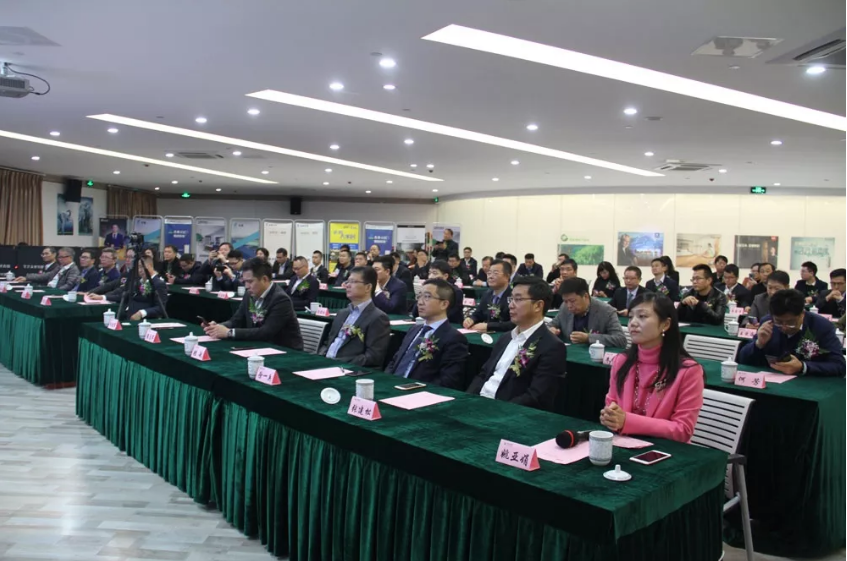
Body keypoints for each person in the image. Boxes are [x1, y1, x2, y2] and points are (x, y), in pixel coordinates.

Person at [600, 292, 704, 443]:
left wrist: (628, 421)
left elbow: (683, 430)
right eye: (631, 317)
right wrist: (610, 417)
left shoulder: (688, 370)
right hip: (623, 443)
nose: (633, 323)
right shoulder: (622, 361)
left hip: (665, 450)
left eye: (642, 316)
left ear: (665, 324)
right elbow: (612, 405)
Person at [467, 277, 567, 411]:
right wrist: (468, 399)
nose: (511, 305)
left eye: (518, 299)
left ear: (538, 305)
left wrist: (495, 409)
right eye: (511, 299)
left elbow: (536, 396)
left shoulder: (552, 346)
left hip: (505, 411)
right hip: (479, 404)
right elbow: (483, 375)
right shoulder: (505, 338)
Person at [739, 289, 845, 377]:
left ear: (802, 314)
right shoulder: (767, 323)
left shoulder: (821, 326)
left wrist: (802, 367)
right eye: (779, 322)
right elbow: (742, 359)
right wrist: (758, 344)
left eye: (791, 322)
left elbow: (839, 365)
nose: (784, 327)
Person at [385, 279, 469, 389]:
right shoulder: (414, 330)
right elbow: (395, 362)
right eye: (419, 296)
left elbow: (448, 381)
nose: (420, 302)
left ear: (444, 304)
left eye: (427, 297)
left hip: (418, 391)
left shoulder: (454, 339)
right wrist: (386, 380)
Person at [203, 260, 303, 350]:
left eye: (250, 281)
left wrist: (229, 332)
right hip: (259, 347)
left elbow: (266, 332)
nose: (246, 286)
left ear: (264, 279)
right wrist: (218, 327)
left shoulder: (281, 299)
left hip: (285, 351)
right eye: (244, 281)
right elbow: (236, 320)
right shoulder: (249, 295)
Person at [320, 266, 390, 366]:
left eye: (353, 282)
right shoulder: (342, 313)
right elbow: (327, 343)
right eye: (347, 281)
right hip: (326, 363)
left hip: (347, 368)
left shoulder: (378, 318)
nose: (347, 285)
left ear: (368, 287)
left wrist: (339, 363)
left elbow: (373, 357)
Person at [549, 278, 627, 348]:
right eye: (565, 301)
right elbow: (551, 325)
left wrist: (588, 338)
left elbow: (621, 340)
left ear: (585, 296)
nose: (569, 306)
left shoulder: (606, 311)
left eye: (572, 301)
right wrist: (551, 330)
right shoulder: (564, 307)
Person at [88, 257, 168, 320]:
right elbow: (124, 295)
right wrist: (102, 297)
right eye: (138, 268)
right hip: (127, 314)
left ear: (150, 266)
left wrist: (142, 313)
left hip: (144, 320)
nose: (140, 270)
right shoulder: (138, 281)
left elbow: (160, 308)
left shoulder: (158, 283)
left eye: (142, 267)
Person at [464, 259, 513, 332]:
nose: (490, 276)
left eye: (495, 273)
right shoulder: (487, 294)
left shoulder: (514, 297)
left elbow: (514, 323)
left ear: (507, 276)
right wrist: (471, 319)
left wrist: (488, 326)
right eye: (489, 273)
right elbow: (479, 313)